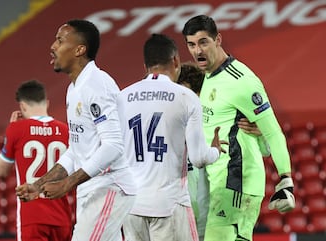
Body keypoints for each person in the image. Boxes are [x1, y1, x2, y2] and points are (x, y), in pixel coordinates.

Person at [15, 19, 136, 241]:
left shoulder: (97, 84)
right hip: (91, 191)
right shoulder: (74, 89)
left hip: (109, 186)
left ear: (80, 50)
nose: (53, 46)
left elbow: (113, 145)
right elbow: (76, 150)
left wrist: (67, 183)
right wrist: (38, 185)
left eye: (60, 40)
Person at [182, 15, 295, 241]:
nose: (197, 51)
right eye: (191, 44)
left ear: (218, 40)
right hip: (220, 185)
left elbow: (273, 131)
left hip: (236, 184)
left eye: (203, 42)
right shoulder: (207, 78)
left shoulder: (241, 81)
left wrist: (286, 180)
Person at [118, 33, 227, 241]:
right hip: (169, 203)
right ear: (176, 60)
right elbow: (198, 158)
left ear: (145, 65)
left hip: (132, 206)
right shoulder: (185, 97)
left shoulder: (122, 97)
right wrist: (215, 151)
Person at [178, 62, 271, 240]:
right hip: (180, 221)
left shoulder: (220, 122)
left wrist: (262, 131)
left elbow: (266, 150)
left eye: (187, 95)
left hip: (212, 218)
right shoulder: (169, 129)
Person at [0, 79, 73, 241]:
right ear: (47, 103)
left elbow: (1, 171)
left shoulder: (16, 129)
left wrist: (9, 135)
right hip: (62, 217)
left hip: (32, 217)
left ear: (22, 106)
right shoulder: (66, 130)